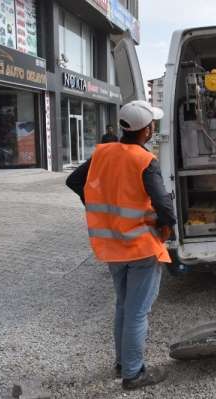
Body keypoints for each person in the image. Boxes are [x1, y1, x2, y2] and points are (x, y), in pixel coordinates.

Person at [66, 101, 176, 390]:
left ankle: (121, 363)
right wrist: (167, 225)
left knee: (123, 306)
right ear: (147, 129)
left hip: (112, 246)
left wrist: (98, 207)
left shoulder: (104, 152)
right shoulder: (144, 159)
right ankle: (133, 373)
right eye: (153, 124)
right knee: (137, 311)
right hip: (140, 246)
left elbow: (74, 180)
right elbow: (163, 203)